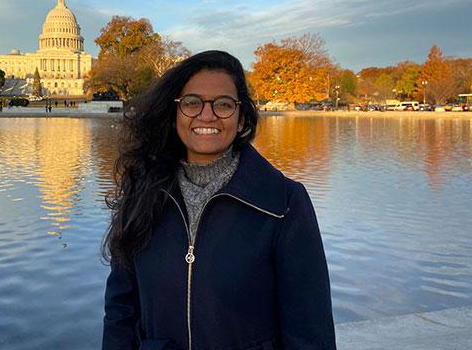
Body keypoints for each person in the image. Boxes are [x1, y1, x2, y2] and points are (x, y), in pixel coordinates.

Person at [102, 50, 336, 350]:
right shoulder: (142, 191)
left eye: (223, 105)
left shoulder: (284, 202)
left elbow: (310, 329)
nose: (207, 115)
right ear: (175, 114)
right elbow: (121, 308)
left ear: (241, 120)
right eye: (192, 103)